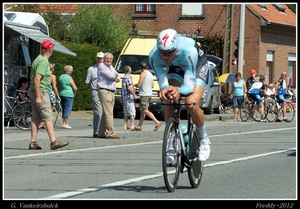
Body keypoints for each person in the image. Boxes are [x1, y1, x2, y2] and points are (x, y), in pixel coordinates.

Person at [149, 28, 211, 162]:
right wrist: (166, 90)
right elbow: (163, 82)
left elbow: (188, 87)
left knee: (191, 104)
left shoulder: (189, 51)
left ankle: (203, 138)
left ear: (175, 49)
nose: (165, 57)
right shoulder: (153, 56)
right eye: (163, 53)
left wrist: (178, 90)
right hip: (176, 65)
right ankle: (173, 139)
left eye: (169, 53)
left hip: (196, 64)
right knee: (169, 99)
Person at [27, 39, 69, 150]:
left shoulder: (38, 59)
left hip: (33, 90)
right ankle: (53, 141)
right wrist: (38, 96)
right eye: (52, 48)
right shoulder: (43, 61)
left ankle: (33, 142)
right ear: (49, 49)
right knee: (48, 117)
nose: (53, 49)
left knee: (36, 117)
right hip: (41, 91)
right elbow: (37, 79)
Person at [96, 52, 121, 139]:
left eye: (110, 59)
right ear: (104, 59)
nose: (109, 60)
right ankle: (110, 132)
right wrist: (115, 77)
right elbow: (110, 76)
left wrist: (115, 77)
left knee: (106, 113)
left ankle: (101, 133)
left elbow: (119, 77)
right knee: (109, 113)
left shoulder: (111, 67)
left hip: (111, 91)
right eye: (107, 58)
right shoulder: (101, 66)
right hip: (104, 90)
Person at [133, 62, 162, 132]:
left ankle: (157, 122)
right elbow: (152, 85)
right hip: (149, 93)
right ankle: (139, 126)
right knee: (142, 111)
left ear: (140, 68)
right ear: (147, 67)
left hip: (144, 94)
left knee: (144, 110)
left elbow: (139, 84)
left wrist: (135, 85)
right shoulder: (150, 74)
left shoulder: (143, 73)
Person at [85, 52, 104, 137]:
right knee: (98, 111)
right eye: (98, 58)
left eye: (101, 58)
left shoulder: (107, 68)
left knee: (106, 111)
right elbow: (87, 83)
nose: (99, 60)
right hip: (96, 90)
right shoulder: (91, 69)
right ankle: (96, 131)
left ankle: (104, 130)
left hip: (105, 91)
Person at [58, 65, 78, 129]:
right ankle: (64, 123)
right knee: (68, 108)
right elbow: (75, 87)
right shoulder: (69, 77)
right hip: (68, 94)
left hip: (61, 94)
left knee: (64, 108)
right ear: (69, 71)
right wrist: (75, 92)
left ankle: (65, 122)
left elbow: (57, 85)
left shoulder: (60, 77)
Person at [121, 65, 137, 131]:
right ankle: (132, 125)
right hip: (129, 97)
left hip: (124, 97)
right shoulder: (128, 78)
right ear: (129, 70)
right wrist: (134, 95)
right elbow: (129, 87)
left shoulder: (124, 77)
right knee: (132, 112)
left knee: (126, 112)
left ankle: (125, 125)